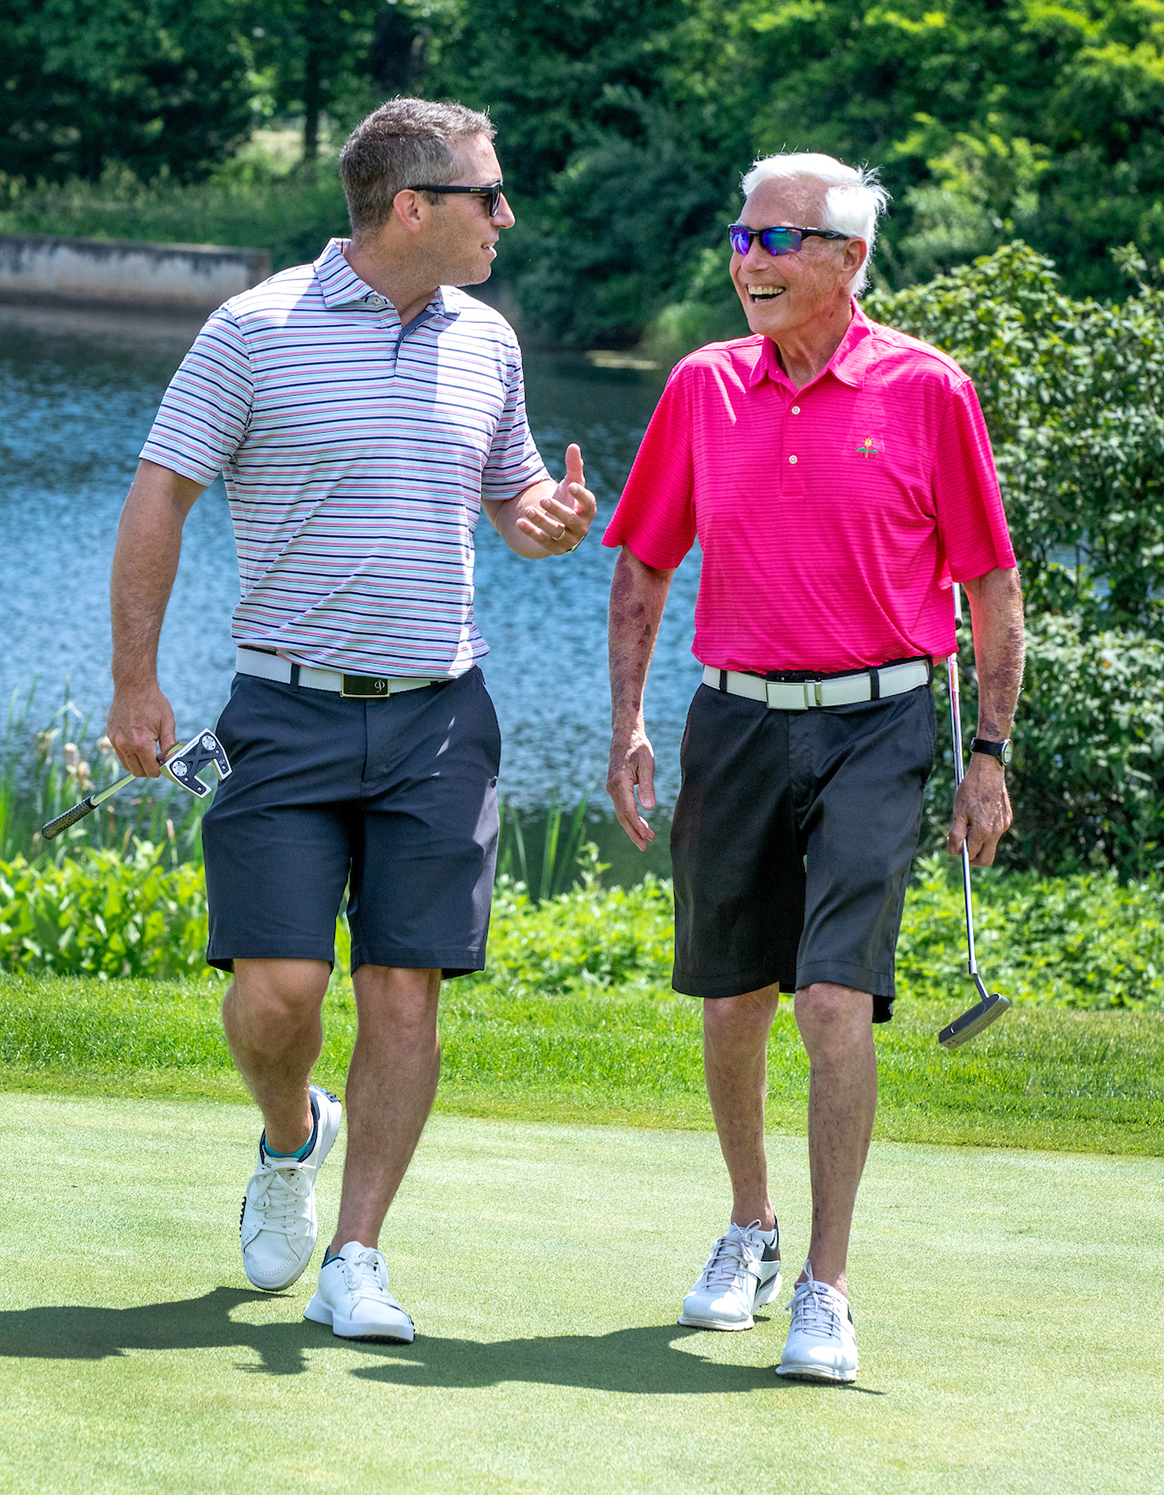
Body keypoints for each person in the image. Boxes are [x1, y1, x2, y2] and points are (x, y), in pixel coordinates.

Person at [106, 98, 595, 1344]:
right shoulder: (253, 330)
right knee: (276, 993)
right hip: (284, 712)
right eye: (487, 195)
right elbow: (159, 495)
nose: (505, 216)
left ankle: (356, 1255)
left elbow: (508, 490)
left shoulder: (488, 339)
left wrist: (537, 517)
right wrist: (135, 681)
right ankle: (291, 1136)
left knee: (403, 989)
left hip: (442, 717)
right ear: (410, 206)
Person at [603, 152, 1023, 1383]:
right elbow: (642, 564)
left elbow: (991, 590)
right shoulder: (700, 385)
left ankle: (825, 1287)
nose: (750, 259)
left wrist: (986, 755)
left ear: (848, 257)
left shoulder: (926, 389)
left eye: (778, 239)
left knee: (831, 998)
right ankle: (751, 1225)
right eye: (741, 237)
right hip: (731, 719)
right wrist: (626, 724)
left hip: (877, 723)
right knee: (732, 996)